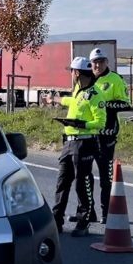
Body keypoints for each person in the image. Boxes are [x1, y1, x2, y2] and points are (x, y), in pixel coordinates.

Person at [53, 57, 107, 237]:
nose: (71, 74)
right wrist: (58, 100)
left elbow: (100, 122)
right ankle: (56, 220)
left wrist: (80, 124)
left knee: (81, 183)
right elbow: (73, 102)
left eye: (72, 71)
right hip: (69, 141)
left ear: (76, 73)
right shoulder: (77, 90)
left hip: (84, 142)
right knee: (62, 182)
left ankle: (84, 220)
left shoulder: (95, 94)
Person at [87, 47, 130, 224]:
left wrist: (104, 105)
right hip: (88, 133)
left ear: (107, 62)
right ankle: (88, 212)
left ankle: (107, 212)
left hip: (107, 133)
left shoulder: (115, 80)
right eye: (95, 62)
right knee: (84, 175)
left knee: (106, 176)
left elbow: (125, 104)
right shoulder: (86, 79)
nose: (98, 65)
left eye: (101, 61)